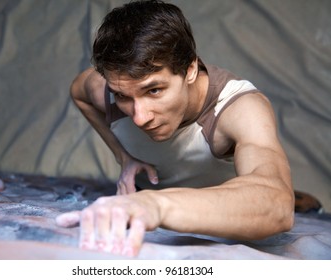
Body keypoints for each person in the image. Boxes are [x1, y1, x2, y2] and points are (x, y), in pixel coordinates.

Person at [56, 0, 294, 257]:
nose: (139, 118)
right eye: (123, 96)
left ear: (190, 69)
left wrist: (155, 205)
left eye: (154, 90)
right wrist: (122, 156)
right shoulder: (105, 88)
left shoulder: (240, 108)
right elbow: (78, 92)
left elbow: (277, 205)